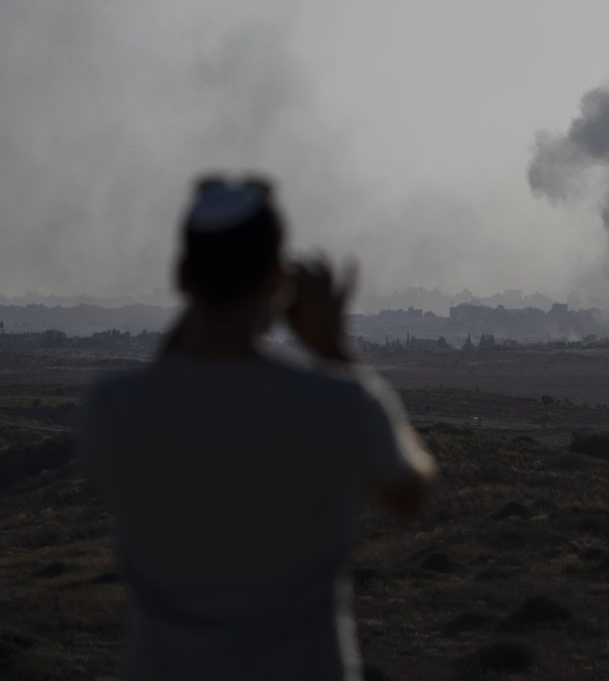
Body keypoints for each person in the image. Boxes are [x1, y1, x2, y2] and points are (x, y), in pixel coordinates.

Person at [77, 175, 436, 680]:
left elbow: (107, 468)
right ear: (276, 280)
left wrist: (196, 314)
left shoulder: (115, 408)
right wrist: (335, 351)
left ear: (181, 276)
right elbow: (410, 496)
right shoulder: (340, 404)